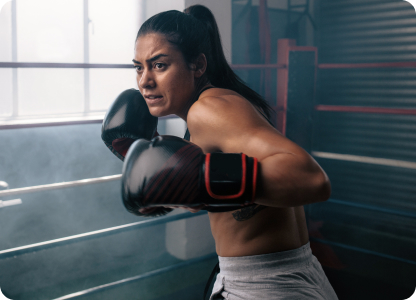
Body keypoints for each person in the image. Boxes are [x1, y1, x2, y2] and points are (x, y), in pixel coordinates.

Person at [102, 4, 338, 300]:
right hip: (289, 273)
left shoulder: (208, 110)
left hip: (264, 287)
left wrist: (199, 179)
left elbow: (311, 180)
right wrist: (177, 178)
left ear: (198, 65)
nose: (144, 81)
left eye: (159, 65)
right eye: (139, 66)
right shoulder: (215, 108)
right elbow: (219, 192)